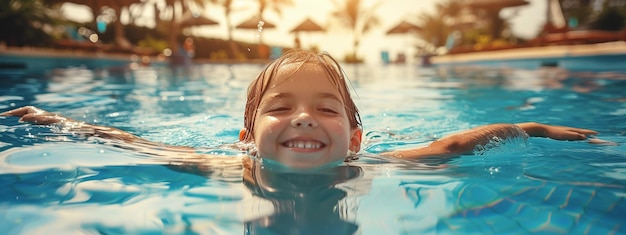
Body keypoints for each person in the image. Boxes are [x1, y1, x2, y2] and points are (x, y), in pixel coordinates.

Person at [0, 50, 600, 170]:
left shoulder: (378, 166)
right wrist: (58, 124)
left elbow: (462, 142)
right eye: (280, 107)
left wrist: (534, 127)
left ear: (357, 140)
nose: (304, 118)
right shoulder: (221, 166)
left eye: (327, 110)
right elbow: (128, 140)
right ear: (246, 136)